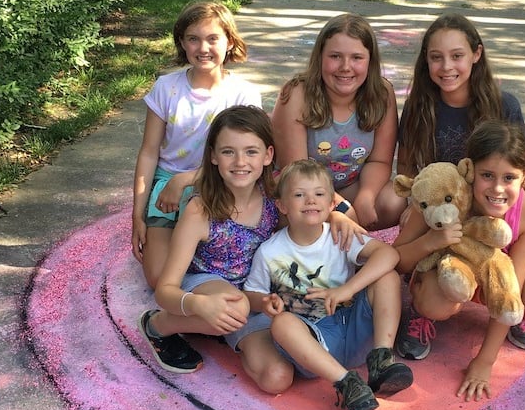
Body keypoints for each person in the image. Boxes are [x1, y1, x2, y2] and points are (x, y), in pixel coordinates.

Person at [139, 106, 364, 393]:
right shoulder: (201, 210)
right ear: (213, 156)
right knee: (236, 304)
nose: (240, 161)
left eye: (251, 151)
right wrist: (198, 304)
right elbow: (166, 289)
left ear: (268, 155)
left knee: (277, 377)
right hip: (209, 284)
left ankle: (222, 329)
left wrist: (335, 215)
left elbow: (324, 201)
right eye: (228, 152)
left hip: (258, 294)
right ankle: (158, 325)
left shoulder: (274, 192)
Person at [393, 121, 525, 401]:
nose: (498, 188)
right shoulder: (444, 191)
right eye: (487, 175)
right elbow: (397, 260)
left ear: (524, 175)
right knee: (435, 301)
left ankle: (511, 316)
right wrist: (431, 242)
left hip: (498, 276)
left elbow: (512, 283)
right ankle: (421, 314)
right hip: (448, 274)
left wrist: (485, 361)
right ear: (469, 170)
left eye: (509, 178)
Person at [395, 12, 525, 350]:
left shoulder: (504, 105)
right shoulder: (420, 105)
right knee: (438, 291)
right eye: (436, 57)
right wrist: (413, 210)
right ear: (425, 61)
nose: (447, 66)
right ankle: (422, 309)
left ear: (477, 53)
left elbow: (515, 168)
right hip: (443, 213)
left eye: (457, 55)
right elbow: (407, 167)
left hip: (490, 209)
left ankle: (506, 301)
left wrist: (519, 223)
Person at [244, 160, 413, 410]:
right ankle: (347, 384)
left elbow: (388, 254)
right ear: (282, 206)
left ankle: (381, 360)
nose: (310, 200)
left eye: (319, 194)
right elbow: (251, 294)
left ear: (332, 204)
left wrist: (347, 289)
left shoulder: (339, 234)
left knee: (387, 277)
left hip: (354, 328)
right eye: (299, 195)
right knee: (282, 323)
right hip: (315, 343)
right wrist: (265, 302)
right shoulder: (269, 252)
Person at [131, 0, 261, 290]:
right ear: (182, 43)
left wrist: (187, 180)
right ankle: (182, 251)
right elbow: (149, 152)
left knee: (234, 267)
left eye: (213, 38)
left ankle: (194, 256)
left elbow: (245, 160)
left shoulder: (244, 94)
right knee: (158, 280)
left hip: (224, 182)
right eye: (193, 39)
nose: (203, 48)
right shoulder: (166, 88)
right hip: (167, 186)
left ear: (229, 42)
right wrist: (137, 215)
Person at [270, 13, 406, 230]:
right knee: (320, 219)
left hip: (348, 184)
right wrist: (344, 210)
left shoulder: (382, 93)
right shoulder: (296, 94)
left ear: (370, 60)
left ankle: (345, 232)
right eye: (335, 56)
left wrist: (366, 196)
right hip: (299, 188)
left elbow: (379, 161)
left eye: (357, 58)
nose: (345, 66)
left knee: (394, 201)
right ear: (320, 57)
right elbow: (296, 171)